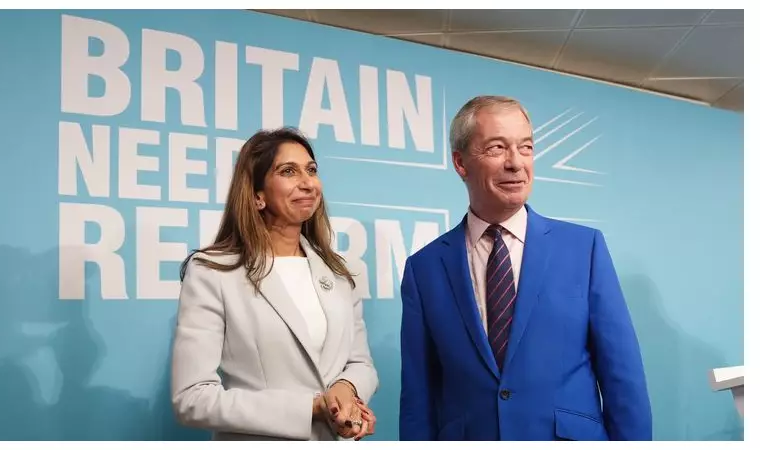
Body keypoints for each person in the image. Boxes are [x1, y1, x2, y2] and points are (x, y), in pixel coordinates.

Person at [399, 96, 652, 441]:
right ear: (460, 162)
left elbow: (623, 378)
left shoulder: (584, 248)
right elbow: (418, 398)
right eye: (497, 148)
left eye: (526, 147)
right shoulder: (424, 269)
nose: (516, 163)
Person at [171, 127, 379, 441]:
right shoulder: (212, 272)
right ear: (257, 195)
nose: (307, 183)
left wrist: (346, 392)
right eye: (288, 172)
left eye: (311, 170)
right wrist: (311, 408)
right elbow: (192, 398)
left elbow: (361, 364)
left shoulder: (339, 272)